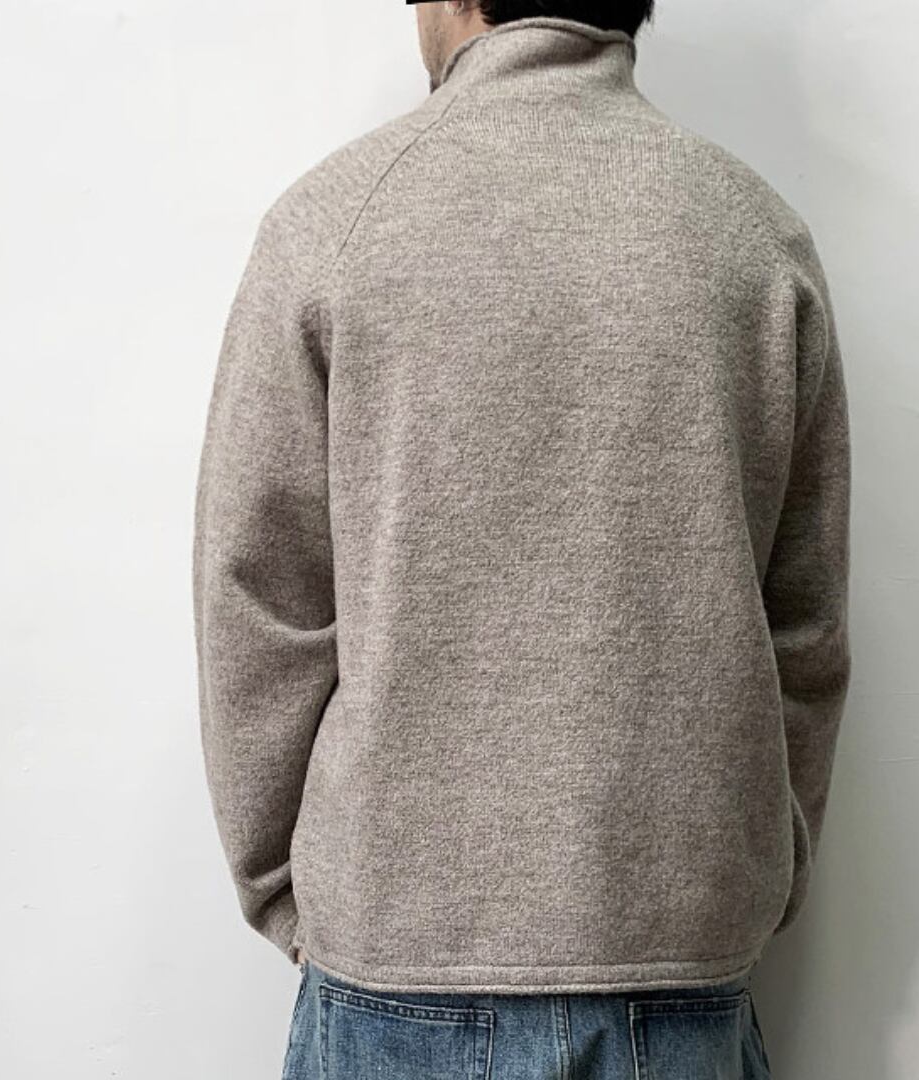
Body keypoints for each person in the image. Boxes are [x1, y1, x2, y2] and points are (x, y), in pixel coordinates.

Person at [191, 2, 853, 1077]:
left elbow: (256, 601)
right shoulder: (753, 235)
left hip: (394, 973)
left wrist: (287, 888)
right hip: (680, 973)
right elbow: (806, 619)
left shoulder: (336, 221)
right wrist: (754, 866)